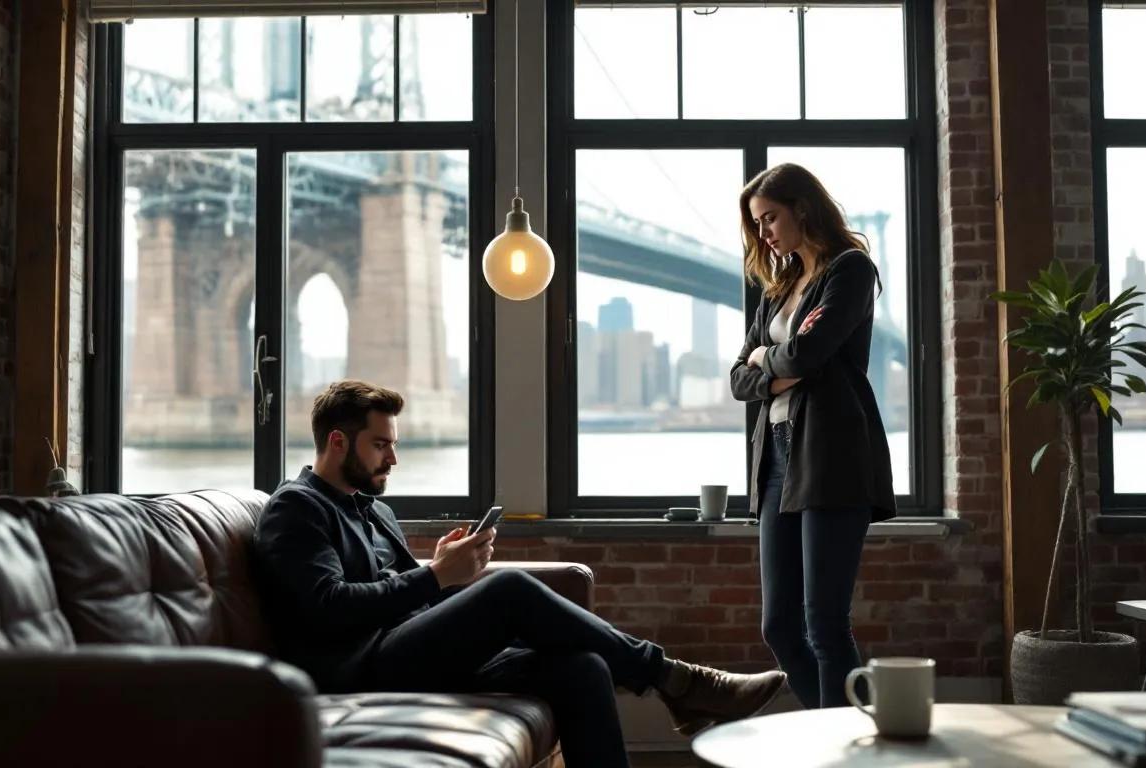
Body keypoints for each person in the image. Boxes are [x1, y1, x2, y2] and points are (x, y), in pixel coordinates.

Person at [253, 380, 786, 768]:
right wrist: (436, 577)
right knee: (508, 589)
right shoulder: (296, 508)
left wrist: (443, 571)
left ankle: (679, 687)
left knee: (580, 667)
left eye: (394, 444)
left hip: (404, 648)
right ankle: (680, 682)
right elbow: (329, 607)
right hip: (357, 670)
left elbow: (395, 591)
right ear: (338, 443)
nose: (393, 458)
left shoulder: (371, 508)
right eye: (381, 445)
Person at [729, 163, 897, 710]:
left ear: (802, 207)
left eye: (770, 217)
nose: (764, 233)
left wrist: (768, 360)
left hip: (831, 454)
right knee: (779, 627)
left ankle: (840, 745)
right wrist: (772, 364)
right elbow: (738, 379)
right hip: (775, 461)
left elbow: (807, 353)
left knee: (824, 621)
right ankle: (853, 728)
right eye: (757, 224)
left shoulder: (850, 270)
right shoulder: (778, 290)